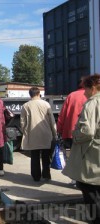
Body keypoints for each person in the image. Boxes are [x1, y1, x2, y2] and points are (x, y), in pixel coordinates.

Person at [62, 74, 100, 223]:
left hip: (92, 151)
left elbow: (87, 131)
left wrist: (75, 134)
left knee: (87, 185)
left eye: (85, 89)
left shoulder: (92, 103)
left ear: (92, 88)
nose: (84, 92)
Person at [20, 87, 57, 182]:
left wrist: (24, 132)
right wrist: (54, 133)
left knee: (35, 156)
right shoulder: (46, 104)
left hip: (32, 134)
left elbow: (22, 122)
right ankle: (46, 175)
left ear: (30, 94)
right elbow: (52, 120)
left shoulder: (26, 105)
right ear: (39, 93)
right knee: (46, 156)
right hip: (46, 133)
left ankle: (36, 176)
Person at [57, 77, 87, 149]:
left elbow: (62, 115)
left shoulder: (71, 95)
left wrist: (60, 130)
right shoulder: (92, 96)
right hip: (87, 134)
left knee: (72, 157)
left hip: (71, 133)